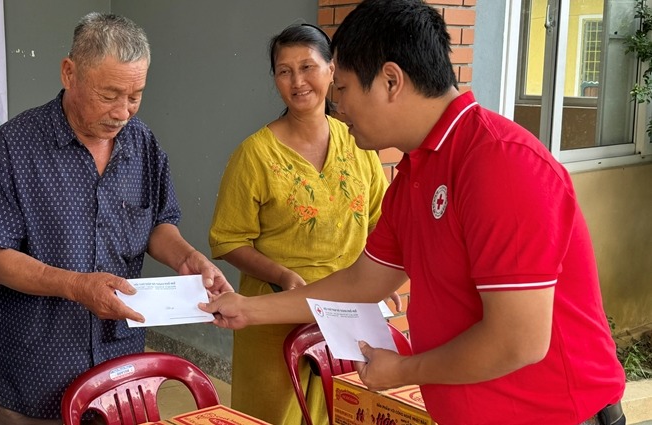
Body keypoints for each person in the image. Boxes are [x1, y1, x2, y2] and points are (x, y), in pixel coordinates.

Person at [200, 1, 626, 424]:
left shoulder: (499, 162)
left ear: (390, 81)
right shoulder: (416, 171)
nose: (338, 107)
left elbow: (517, 341)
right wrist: (249, 310)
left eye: (343, 88)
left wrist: (403, 369)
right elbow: (363, 281)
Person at [0, 12, 231, 424]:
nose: (123, 112)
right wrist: (75, 286)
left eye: (135, 96)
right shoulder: (11, 148)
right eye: (109, 95)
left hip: (119, 361)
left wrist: (186, 259)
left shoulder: (142, 143)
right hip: (38, 366)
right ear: (69, 73)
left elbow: (158, 224)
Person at [208, 23, 387, 423]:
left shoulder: (358, 143)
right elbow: (227, 239)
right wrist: (283, 276)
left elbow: (381, 222)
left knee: (342, 412)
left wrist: (380, 285)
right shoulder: (254, 154)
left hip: (346, 317)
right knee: (274, 416)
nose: (297, 81)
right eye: (284, 71)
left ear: (331, 70)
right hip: (272, 318)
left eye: (307, 66)